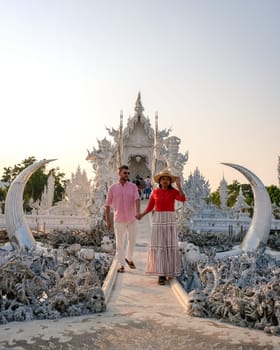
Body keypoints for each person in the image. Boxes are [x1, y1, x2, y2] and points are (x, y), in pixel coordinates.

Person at [136, 169, 186, 285]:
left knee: (169, 244)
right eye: (163, 179)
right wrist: (141, 215)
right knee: (160, 245)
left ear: (170, 182)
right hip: (158, 220)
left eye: (167, 179)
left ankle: (169, 270)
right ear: (159, 181)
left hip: (169, 219)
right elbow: (150, 207)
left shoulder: (173, 192)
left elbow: (183, 199)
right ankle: (161, 274)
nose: (165, 181)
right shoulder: (155, 192)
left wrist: (179, 186)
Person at [105, 165, 140, 273]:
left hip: (131, 218)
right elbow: (107, 205)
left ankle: (129, 258)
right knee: (119, 243)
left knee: (132, 240)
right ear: (119, 173)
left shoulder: (133, 186)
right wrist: (108, 220)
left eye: (128, 173)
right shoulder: (113, 188)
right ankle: (121, 265)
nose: (127, 175)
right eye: (125, 173)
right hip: (119, 219)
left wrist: (138, 211)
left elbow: (137, 199)